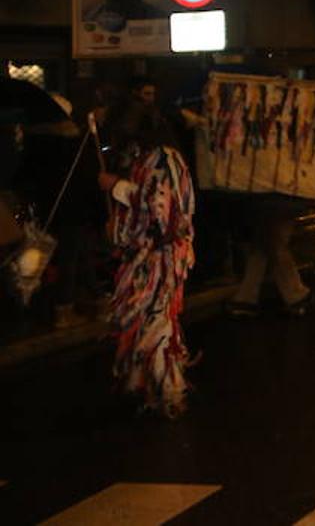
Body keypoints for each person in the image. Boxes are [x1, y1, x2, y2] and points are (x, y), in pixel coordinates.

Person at [97, 99, 196, 417]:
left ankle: (169, 391)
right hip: (141, 256)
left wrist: (118, 187)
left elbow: (164, 217)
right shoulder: (143, 157)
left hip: (160, 257)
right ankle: (145, 386)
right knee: (142, 321)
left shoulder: (165, 160)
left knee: (157, 321)